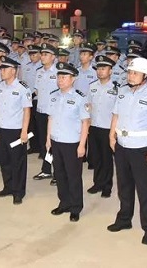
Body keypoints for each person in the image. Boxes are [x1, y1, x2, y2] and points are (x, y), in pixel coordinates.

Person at [108, 57, 147, 246]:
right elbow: (116, 115)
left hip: (141, 149)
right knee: (124, 187)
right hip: (122, 146)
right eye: (129, 72)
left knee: (145, 190)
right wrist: (111, 135)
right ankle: (124, 219)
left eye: (135, 73)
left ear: (145, 76)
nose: (131, 76)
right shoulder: (123, 92)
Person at [47, 62, 90, 222]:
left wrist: (82, 145)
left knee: (73, 176)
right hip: (56, 141)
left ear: (73, 79)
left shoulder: (80, 98)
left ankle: (76, 207)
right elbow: (50, 118)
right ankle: (64, 203)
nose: (60, 80)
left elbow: (85, 123)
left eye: (64, 77)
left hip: (72, 143)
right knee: (59, 174)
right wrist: (48, 139)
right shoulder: (54, 96)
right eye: (59, 77)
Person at [0, 56, 32, 205]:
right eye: (1, 69)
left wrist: (24, 131)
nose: (1, 71)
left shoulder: (22, 88)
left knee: (17, 161)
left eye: (4, 69)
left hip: (16, 131)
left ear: (13, 71)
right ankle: (8, 186)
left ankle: (18, 191)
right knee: (5, 160)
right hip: (2, 129)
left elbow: (27, 111)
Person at [87, 55, 119, 198]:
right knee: (96, 157)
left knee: (106, 158)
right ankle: (97, 183)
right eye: (98, 68)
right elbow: (88, 105)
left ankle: (107, 186)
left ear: (110, 71)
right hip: (94, 126)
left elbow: (118, 112)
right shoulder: (92, 86)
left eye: (103, 68)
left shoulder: (116, 88)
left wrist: (114, 131)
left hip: (108, 128)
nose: (100, 71)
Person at [32, 43, 58, 182]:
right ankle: (46, 169)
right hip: (41, 111)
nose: (42, 57)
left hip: (53, 114)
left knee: (55, 144)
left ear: (53, 57)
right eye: (42, 54)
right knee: (44, 142)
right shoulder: (39, 72)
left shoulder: (59, 72)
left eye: (46, 54)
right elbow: (36, 91)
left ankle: (58, 172)